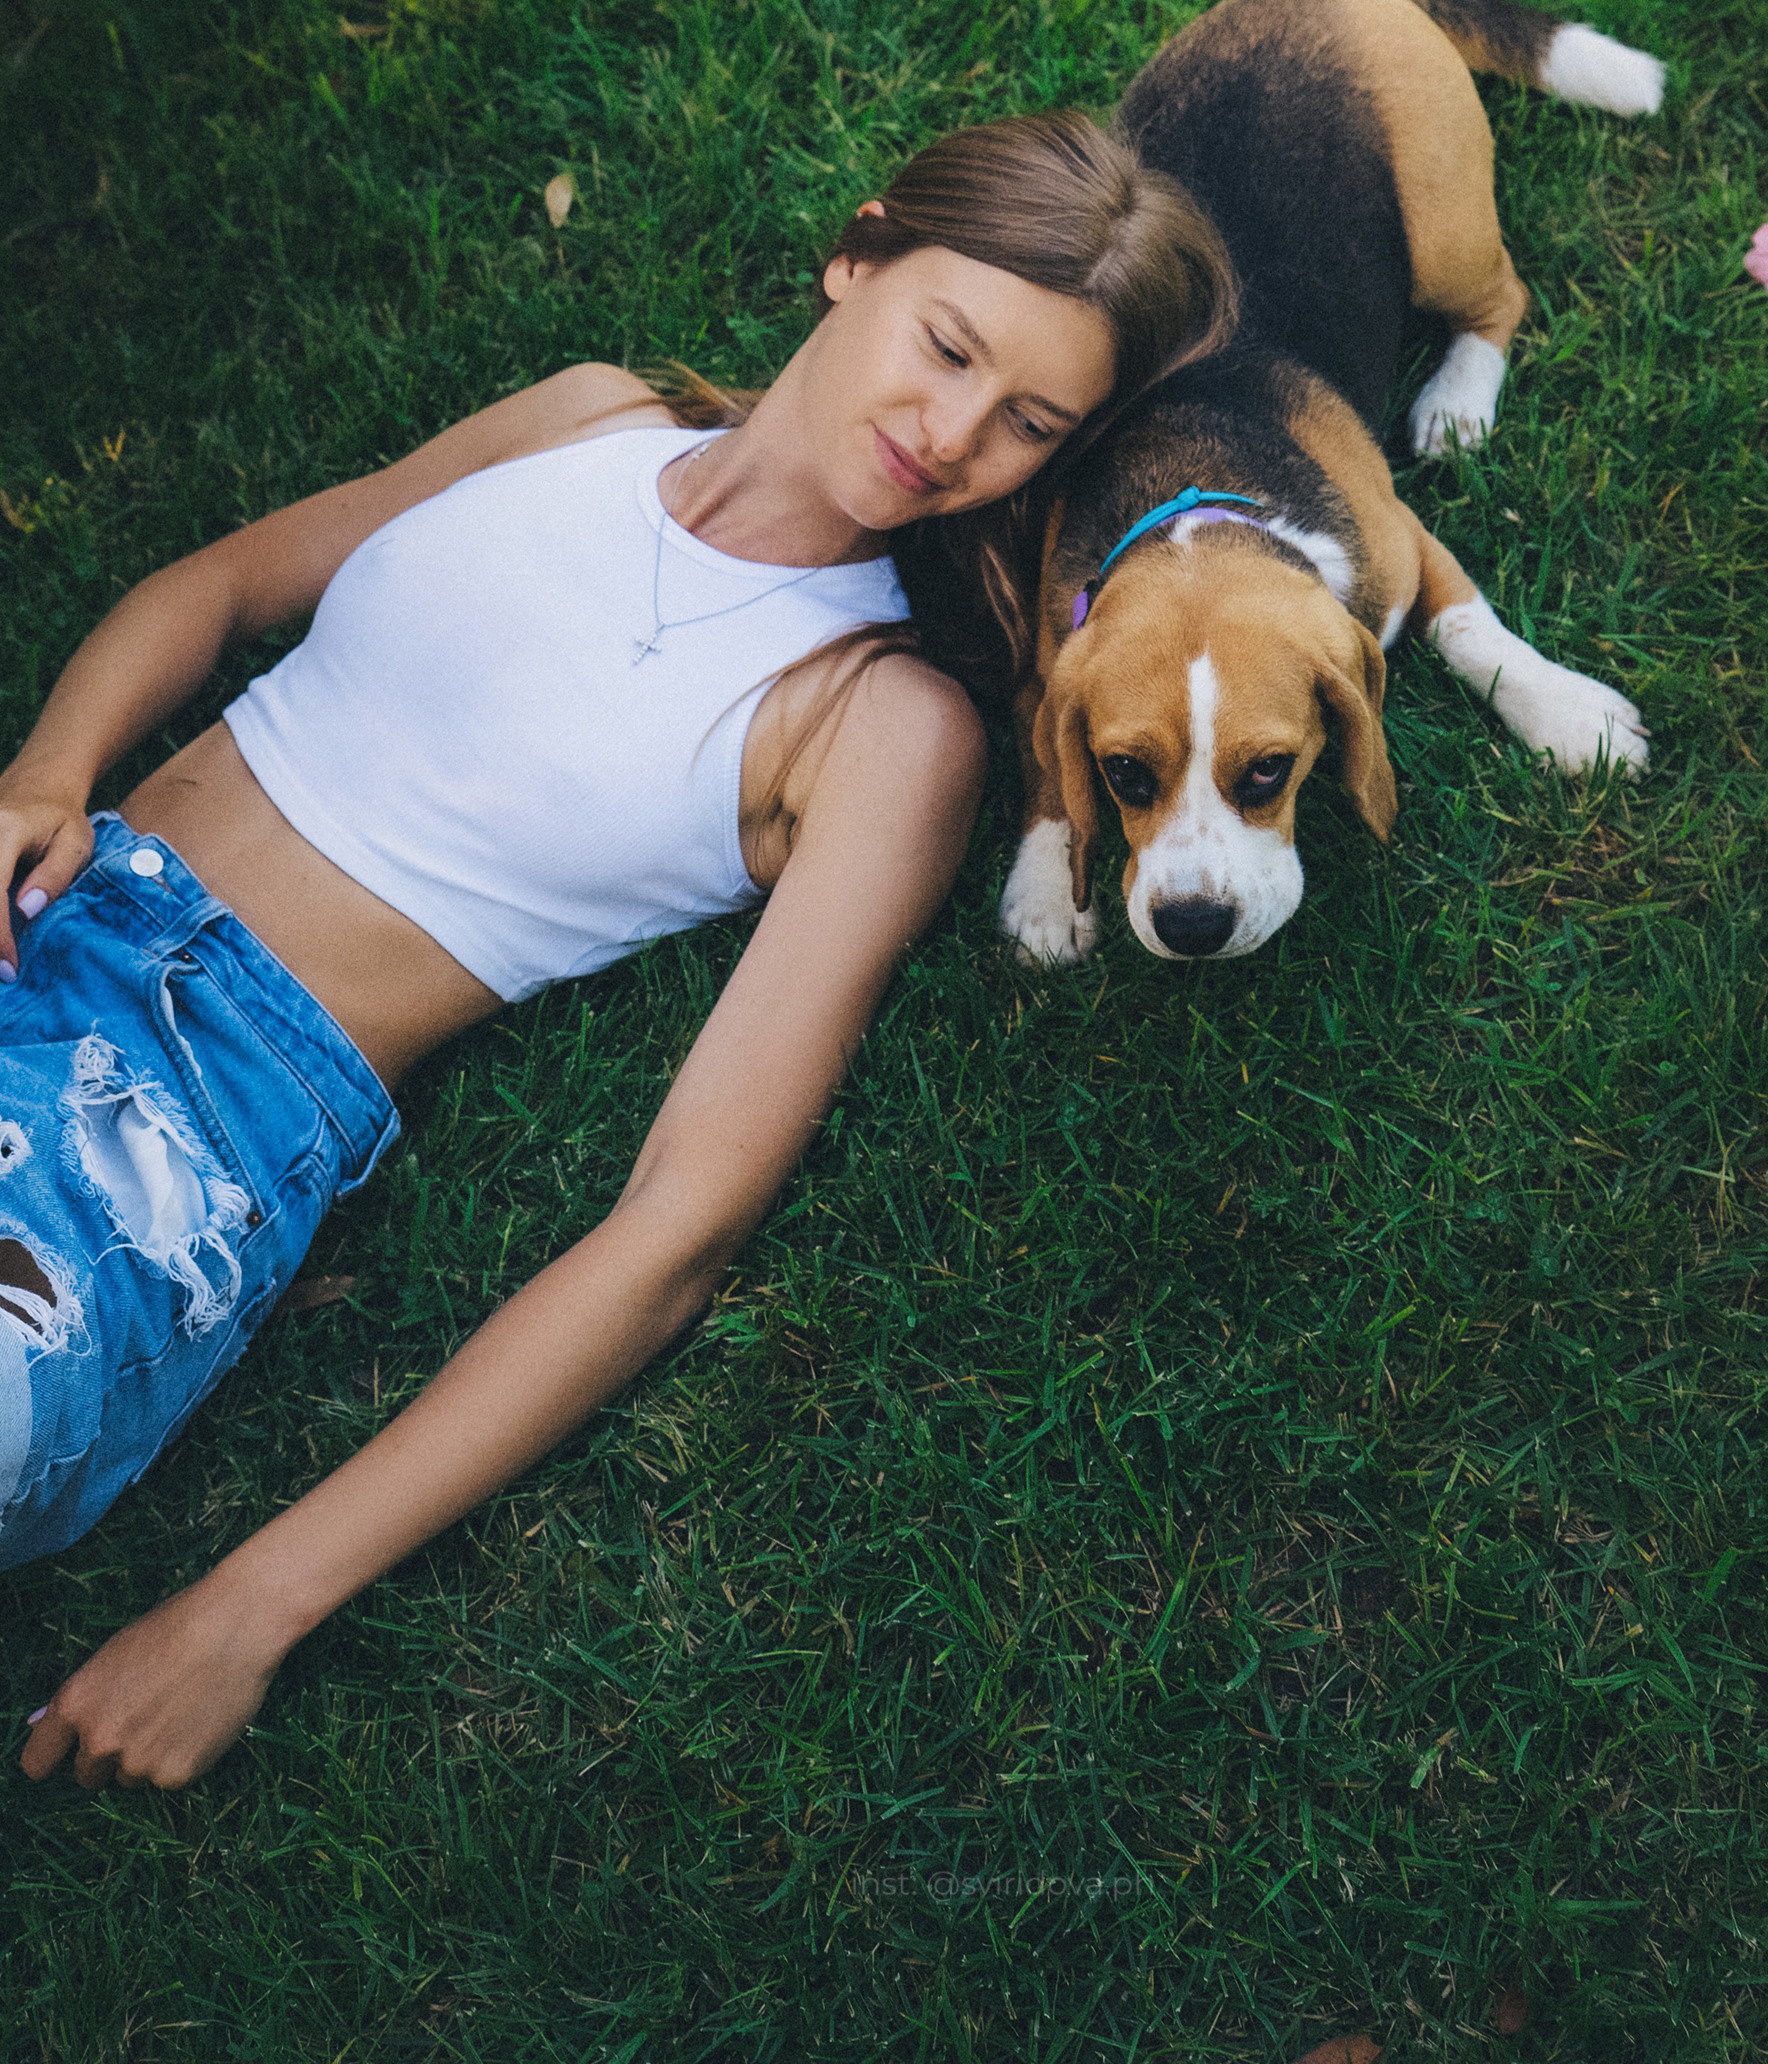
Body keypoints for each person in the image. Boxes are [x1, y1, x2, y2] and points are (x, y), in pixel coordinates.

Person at [3, 111, 1234, 1790]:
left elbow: (677, 1234)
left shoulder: (881, 725)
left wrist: (245, 1610)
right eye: (946, 346)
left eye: (1027, 424)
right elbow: (225, 589)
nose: (952, 437)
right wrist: (46, 774)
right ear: (855, 258)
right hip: (37, 905)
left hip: (169, 1128)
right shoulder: (587, 418)